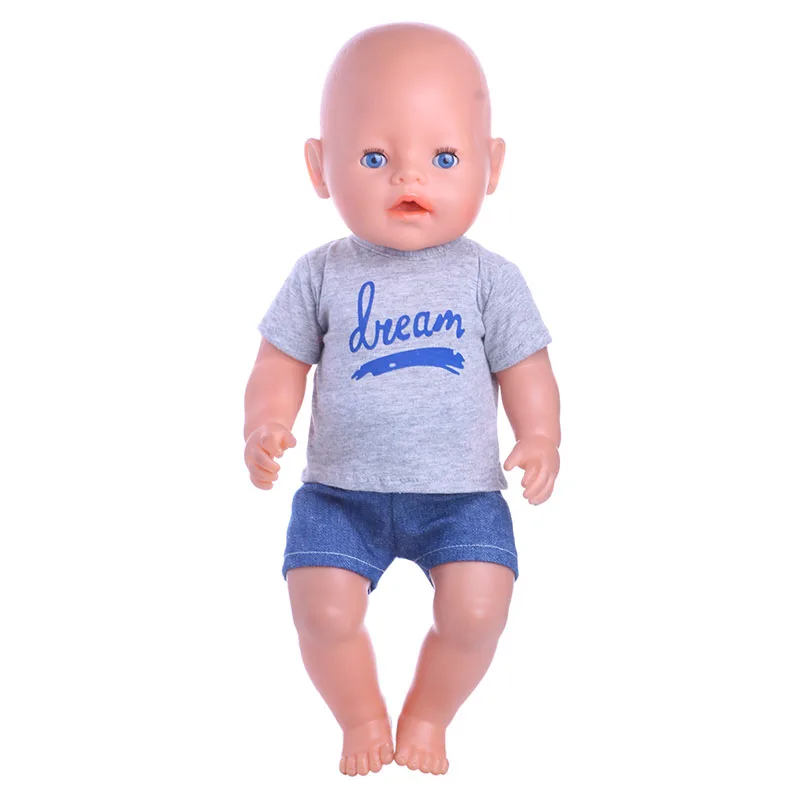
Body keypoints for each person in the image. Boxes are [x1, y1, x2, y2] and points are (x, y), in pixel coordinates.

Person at [243, 22, 561, 777]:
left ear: (491, 166)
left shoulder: (490, 279)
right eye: (374, 158)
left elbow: (528, 368)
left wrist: (541, 436)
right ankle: (359, 716)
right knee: (321, 610)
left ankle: (428, 713)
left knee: (478, 610)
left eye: (444, 158)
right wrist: (266, 422)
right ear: (320, 167)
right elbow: (278, 361)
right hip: (339, 494)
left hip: (463, 497)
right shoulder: (321, 273)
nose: (407, 178)